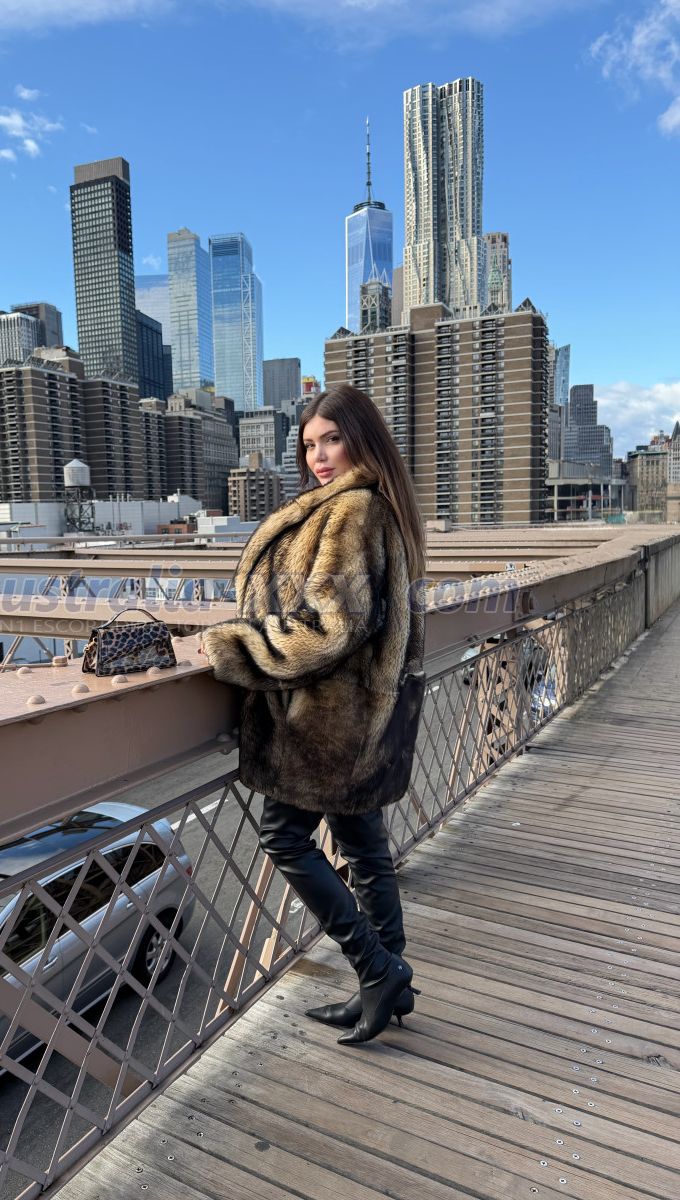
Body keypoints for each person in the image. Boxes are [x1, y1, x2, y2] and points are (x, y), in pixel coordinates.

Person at [200, 383, 425, 1045]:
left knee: (285, 837)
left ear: (361, 439)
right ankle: (388, 984)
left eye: (332, 439)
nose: (319, 456)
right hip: (358, 716)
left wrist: (233, 646)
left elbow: (333, 627)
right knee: (363, 847)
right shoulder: (372, 505)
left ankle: (376, 969)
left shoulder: (353, 510)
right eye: (308, 444)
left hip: (325, 717)